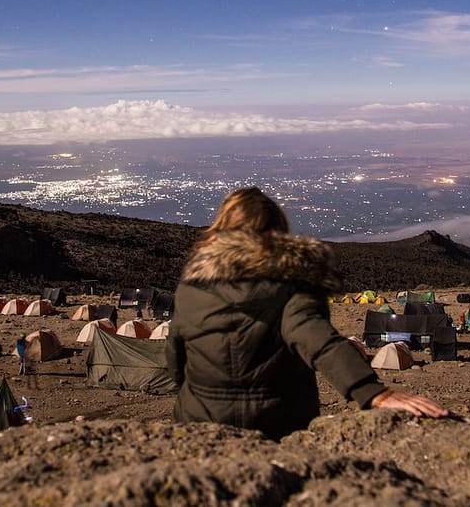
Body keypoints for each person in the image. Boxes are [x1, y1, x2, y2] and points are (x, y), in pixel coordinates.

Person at [166, 187, 449, 440]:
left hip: (198, 422)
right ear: (278, 229)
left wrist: (194, 399)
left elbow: (176, 358)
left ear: (221, 228)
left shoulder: (192, 288)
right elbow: (320, 342)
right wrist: (373, 393)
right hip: (276, 424)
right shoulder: (291, 286)